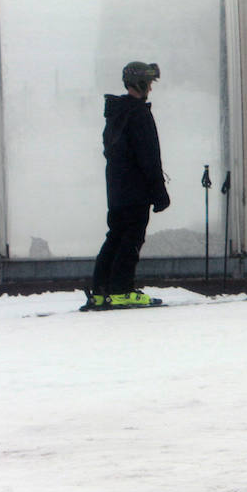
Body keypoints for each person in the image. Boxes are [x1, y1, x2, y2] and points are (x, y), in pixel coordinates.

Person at [88, 61, 171, 309]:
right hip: (136, 191)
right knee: (131, 239)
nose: (151, 89)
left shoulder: (116, 113)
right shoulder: (139, 114)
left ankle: (101, 290)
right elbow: (149, 157)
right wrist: (159, 193)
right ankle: (122, 289)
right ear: (141, 84)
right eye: (149, 84)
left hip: (116, 190)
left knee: (115, 236)